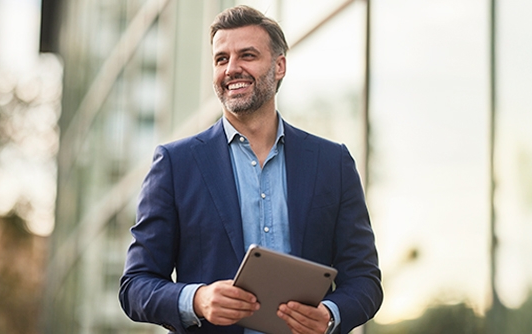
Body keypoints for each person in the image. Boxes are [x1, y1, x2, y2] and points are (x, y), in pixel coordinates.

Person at [118, 5, 382, 334]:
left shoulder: (333, 163)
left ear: (279, 65)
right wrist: (197, 299)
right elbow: (135, 286)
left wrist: (330, 314)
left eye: (247, 55)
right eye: (221, 59)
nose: (232, 69)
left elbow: (365, 280)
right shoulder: (175, 164)